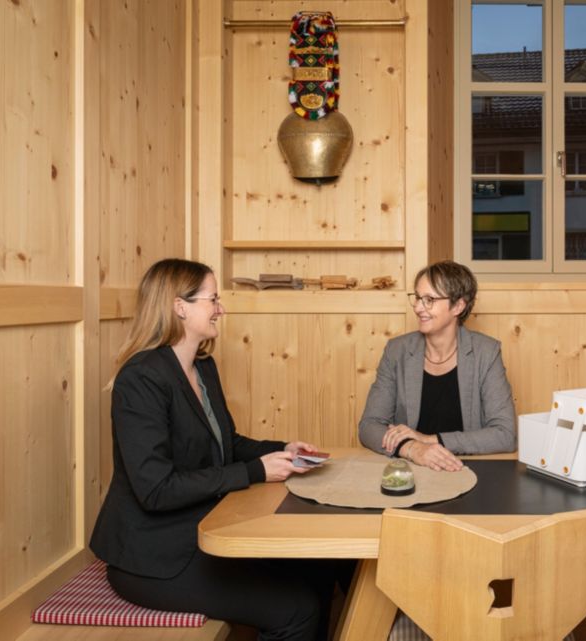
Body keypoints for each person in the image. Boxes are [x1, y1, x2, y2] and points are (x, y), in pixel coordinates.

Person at [90, 258, 332, 641]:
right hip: (154, 558)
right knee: (298, 610)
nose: (221, 309)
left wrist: (283, 449)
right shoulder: (141, 379)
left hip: (201, 530)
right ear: (179, 307)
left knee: (323, 568)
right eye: (213, 299)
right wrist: (256, 471)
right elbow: (156, 489)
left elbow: (226, 443)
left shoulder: (203, 367)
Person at [358, 260, 516, 471]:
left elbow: (505, 434)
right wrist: (413, 448)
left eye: (429, 300)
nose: (417, 307)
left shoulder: (486, 353)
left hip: (466, 470)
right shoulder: (396, 351)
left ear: (458, 306)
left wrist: (430, 440)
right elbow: (369, 426)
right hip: (409, 471)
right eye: (417, 297)